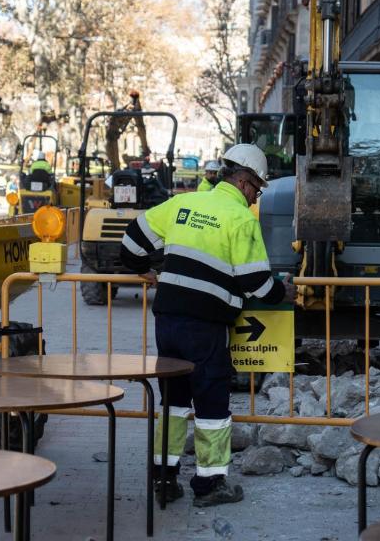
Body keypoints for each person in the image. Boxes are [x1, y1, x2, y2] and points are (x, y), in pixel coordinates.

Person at [119, 144, 297, 507]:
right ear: (245, 182)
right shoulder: (240, 218)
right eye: (257, 190)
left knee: (174, 400)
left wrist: (147, 273)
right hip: (206, 327)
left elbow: (129, 245)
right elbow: (255, 283)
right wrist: (284, 292)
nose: (255, 198)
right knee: (212, 404)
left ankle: (164, 479)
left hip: (167, 321)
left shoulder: (183, 204)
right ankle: (210, 484)